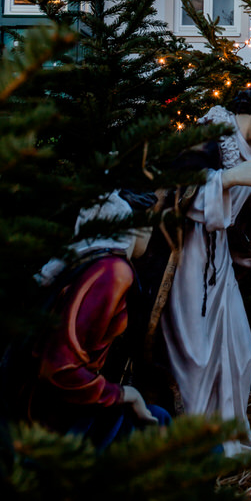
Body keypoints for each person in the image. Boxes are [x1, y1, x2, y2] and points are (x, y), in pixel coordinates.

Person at [159, 71, 251, 452]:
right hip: (184, 261)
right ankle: (199, 445)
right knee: (197, 359)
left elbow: (235, 226)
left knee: (242, 352)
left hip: (217, 263)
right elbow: (167, 190)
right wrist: (224, 179)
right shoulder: (212, 134)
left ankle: (230, 439)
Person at [16, 190, 170, 448]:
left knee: (160, 420)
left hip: (60, 403)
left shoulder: (90, 262)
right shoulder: (112, 271)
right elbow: (58, 368)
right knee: (165, 430)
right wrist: (123, 395)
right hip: (58, 416)